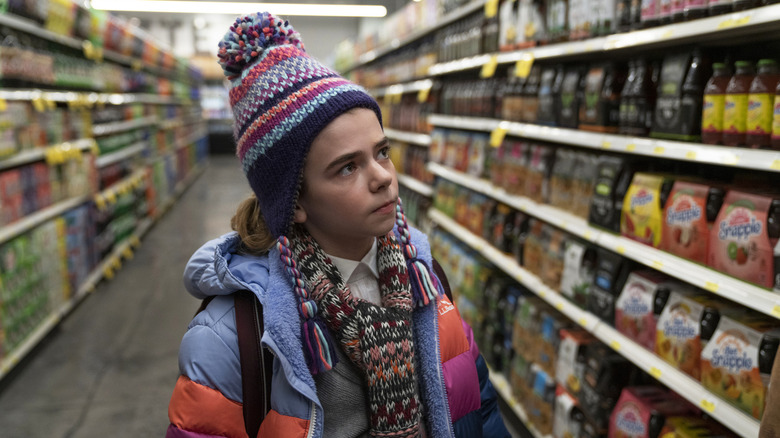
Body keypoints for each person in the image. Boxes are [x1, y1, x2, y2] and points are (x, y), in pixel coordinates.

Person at [166, 12, 510, 438]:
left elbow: (477, 404)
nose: (382, 177)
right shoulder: (233, 334)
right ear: (294, 202)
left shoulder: (424, 279)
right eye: (348, 167)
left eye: (382, 152)